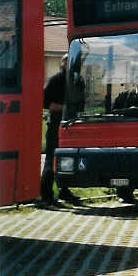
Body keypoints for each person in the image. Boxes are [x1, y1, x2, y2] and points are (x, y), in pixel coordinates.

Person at [41, 54, 79, 205]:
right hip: (56, 125)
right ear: (62, 63)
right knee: (51, 160)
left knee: (67, 160)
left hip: (71, 125)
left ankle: (64, 191)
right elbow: (46, 103)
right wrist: (66, 108)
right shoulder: (55, 80)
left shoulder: (76, 80)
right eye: (68, 61)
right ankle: (46, 196)